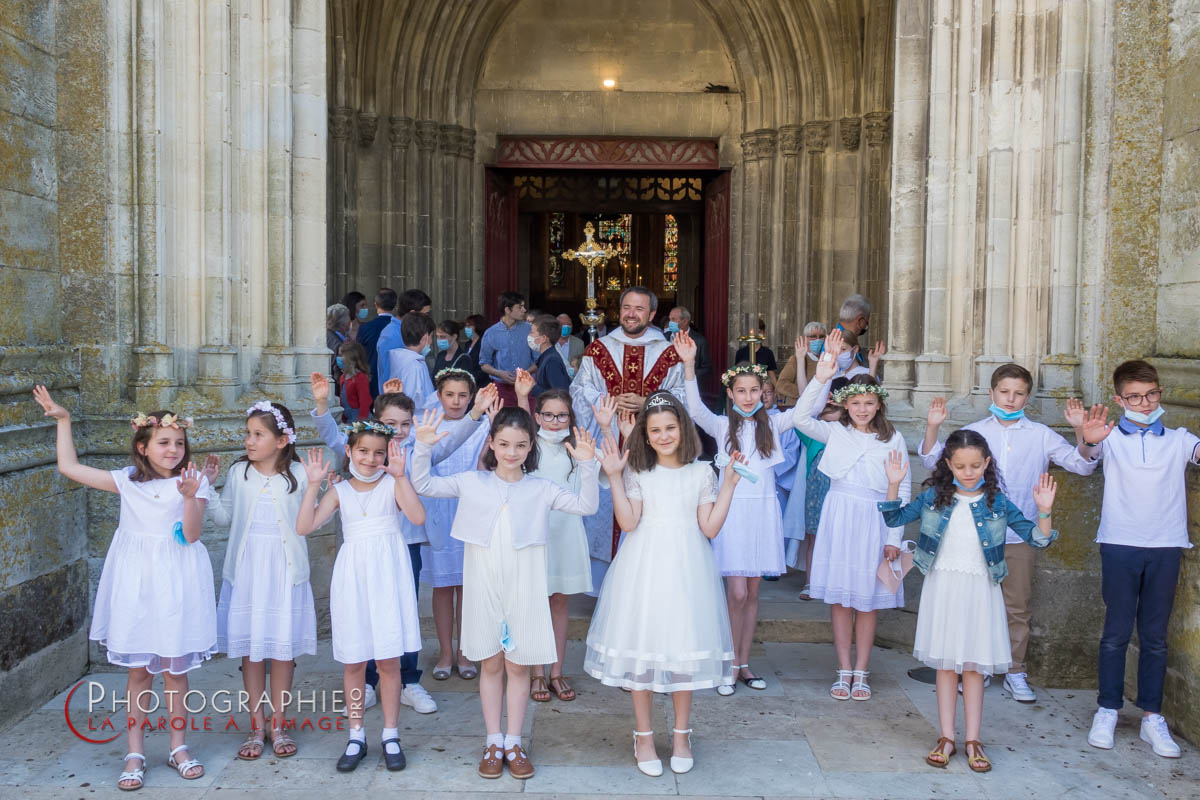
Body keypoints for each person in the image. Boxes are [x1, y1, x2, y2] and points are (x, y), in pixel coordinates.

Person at [32, 386, 213, 790]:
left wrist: (189, 497)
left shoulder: (193, 481)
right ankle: (135, 752)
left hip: (176, 583)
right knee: (139, 672)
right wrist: (64, 420)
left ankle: (179, 747)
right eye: (164, 442)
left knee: (175, 672)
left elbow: (192, 535)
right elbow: (69, 467)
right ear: (143, 447)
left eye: (179, 443)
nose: (173, 450)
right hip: (138, 584)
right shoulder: (128, 481)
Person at [411, 408, 600, 780]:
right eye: (504, 444)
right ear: (492, 444)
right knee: (491, 664)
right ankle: (493, 741)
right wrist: (422, 447)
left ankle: (514, 741)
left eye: (520, 445)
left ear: (530, 447)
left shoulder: (540, 488)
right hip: (484, 585)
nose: (511, 452)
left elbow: (586, 505)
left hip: (524, 586)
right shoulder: (472, 482)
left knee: (518, 665)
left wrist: (588, 464)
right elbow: (424, 484)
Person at [309, 372, 494, 716]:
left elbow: (451, 443)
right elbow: (333, 437)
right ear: (375, 422)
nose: (398, 430)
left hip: (404, 545)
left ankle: (408, 681)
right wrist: (321, 404)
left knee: (403, 612)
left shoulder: (416, 450)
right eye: (390, 423)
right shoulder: (366, 452)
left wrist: (475, 413)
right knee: (366, 613)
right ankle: (367, 681)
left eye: (405, 424)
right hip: (365, 548)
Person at [878, 432, 1059, 773]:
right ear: (948, 464)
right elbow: (893, 519)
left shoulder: (998, 502)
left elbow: (1038, 539)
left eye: (975, 465)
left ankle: (974, 740)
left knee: (974, 667)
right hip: (943, 586)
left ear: (987, 463)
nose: (968, 472)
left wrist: (1045, 511)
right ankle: (946, 737)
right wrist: (893, 485)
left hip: (980, 589)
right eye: (960, 466)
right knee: (946, 666)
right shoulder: (933, 497)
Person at [918, 363, 1099, 702]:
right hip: (972, 536)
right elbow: (932, 461)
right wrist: (932, 427)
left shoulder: (1041, 435)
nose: (1010, 399)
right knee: (973, 602)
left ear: (1028, 398)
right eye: (1004, 392)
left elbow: (1083, 465)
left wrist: (1081, 432)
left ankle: (1015, 670)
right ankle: (976, 667)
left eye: (1019, 393)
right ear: (991, 393)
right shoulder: (974, 432)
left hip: (1016, 536)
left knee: (1017, 606)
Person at [584, 392, 743, 776]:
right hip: (645, 566)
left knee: (683, 651)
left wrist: (729, 486)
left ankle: (682, 734)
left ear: (683, 429)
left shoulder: (701, 473)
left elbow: (710, 527)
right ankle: (643, 736)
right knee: (642, 652)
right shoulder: (640, 472)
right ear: (645, 435)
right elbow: (628, 522)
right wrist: (615, 477)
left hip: (687, 569)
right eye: (655, 430)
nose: (664, 436)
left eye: (670, 427)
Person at [1080, 359, 1199, 759]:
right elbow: (1088, 456)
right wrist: (1088, 439)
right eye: (1134, 397)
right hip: (1119, 544)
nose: (1145, 403)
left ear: (1160, 393)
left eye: (1151, 395)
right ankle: (1107, 710)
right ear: (1119, 400)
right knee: (1115, 633)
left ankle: (1152, 717)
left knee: (1155, 637)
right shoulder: (1111, 437)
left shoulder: (1179, 440)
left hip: (1166, 546)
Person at [676, 331, 804, 693]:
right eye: (741, 391)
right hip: (732, 515)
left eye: (755, 391)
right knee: (736, 594)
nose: (748, 397)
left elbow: (804, 411)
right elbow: (695, 409)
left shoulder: (773, 425)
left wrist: (819, 375)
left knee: (752, 593)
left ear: (763, 393)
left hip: (762, 515)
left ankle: (744, 663)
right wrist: (689, 365)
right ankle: (729, 663)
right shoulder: (722, 425)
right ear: (731, 394)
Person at [789, 329, 910, 702]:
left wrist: (893, 537)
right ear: (845, 405)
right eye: (855, 402)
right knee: (842, 599)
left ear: (879, 405)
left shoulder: (892, 438)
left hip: (875, 519)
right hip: (840, 516)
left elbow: (902, 489)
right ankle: (843, 669)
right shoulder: (834, 432)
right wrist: (821, 377)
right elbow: (800, 418)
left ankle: (862, 671)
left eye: (869, 402)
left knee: (867, 601)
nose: (862, 409)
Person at [296, 423, 425, 773]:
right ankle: (356, 735)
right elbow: (304, 527)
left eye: (378, 452)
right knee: (354, 661)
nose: (370, 458)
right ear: (349, 451)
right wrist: (313, 486)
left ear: (387, 455)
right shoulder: (340, 491)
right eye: (363, 451)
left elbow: (417, 517)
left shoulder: (391, 485)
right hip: (353, 577)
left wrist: (400, 476)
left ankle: (391, 734)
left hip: (388, 575)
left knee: (388, 660)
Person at [202, 402, 316, 760]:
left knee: (282, 652)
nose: (249, 441)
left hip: (284, 572)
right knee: (251, 651)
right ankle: (255, 725)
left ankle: (278, 725)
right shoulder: (240, 473)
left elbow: (311, 522)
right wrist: (206, 489)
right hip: (248, 571)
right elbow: (224, 518)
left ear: (282, 440)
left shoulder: (299, 474)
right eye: (247, 433)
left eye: (258, 434)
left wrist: (320, 488)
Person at [570, 286, 686, 566]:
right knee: (605, 511)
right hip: (607, 441)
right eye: (626, 308)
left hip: (652, 446)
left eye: (639, 309)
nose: (631, 314)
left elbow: (683, 396)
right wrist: (608, 400)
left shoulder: (668, 353)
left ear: (652, 314)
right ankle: (604, 581)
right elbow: (579, 390)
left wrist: (648, 401)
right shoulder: (598, 349)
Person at [514, 384, 604, 704]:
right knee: (535, 602)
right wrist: (521, 397)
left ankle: (556, 670)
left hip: (566, 532)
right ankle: (537, 671)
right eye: (548, 415)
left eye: (561, 415)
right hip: (534, 533)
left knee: (559, 602)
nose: (555, 421)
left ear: (570, 417)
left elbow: (608, 469)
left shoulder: (578, 446)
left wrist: (606, 428)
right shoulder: (528, 446)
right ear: (537, 417)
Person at [421, 369, 497, 682]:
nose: (456, 401)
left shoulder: (483, 425)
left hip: (470, 511)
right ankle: (445, 652)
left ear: (472, 397)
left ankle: (465, 651)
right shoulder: (428, 424)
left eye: (463, 395)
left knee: (468, 586)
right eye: (449, 394)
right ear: (439, 395)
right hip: (438, 510)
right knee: (442, 586)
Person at [782, 382, 849, 595]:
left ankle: (836, 583)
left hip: (842, 494)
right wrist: (818, 405)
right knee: (814, 538)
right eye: (826, 410)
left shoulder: (849, 436)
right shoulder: (813, 437)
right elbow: (800, 419)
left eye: (835, 409)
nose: (830, 412)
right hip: (816, 496)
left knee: (840, 539)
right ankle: (811, 582)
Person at [479, 292, 534, 406]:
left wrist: (524, 374)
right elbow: (484, 363)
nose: (524, 310)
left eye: (524, 306)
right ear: (507, 310)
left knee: (528, 417)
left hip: (527, 387)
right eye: (520, 307)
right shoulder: (491, 333)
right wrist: (499, 373)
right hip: (501, 389)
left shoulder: (530, 330)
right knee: (501, 417)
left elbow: (539, 360)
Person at [375, 289, 434, 393]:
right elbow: (390, 377)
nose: (428, 318)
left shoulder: (402, 330)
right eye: (426, 314)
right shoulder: (392, 336)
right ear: (413, 313)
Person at [382, 312, 436, 406]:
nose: (431, 341)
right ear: (425, 338)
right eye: (431, 336)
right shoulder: (415, 367)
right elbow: (414, 402)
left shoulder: (399, 358)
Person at [357, 288, 399, 397]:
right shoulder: (401, 327)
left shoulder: (366, 328)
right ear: (395, 305)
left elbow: (359, 355)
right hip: (396, 379)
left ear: (376, 305)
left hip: (372, 378)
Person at [775, 321, 827, 404]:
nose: (817, 340)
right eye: (813, 337)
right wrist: (805, 393)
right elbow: (781, 384)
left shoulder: (826, 359)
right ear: (806, 338)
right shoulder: (796, 359)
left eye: (821, 337)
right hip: (798, 406)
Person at [529, 315, 571, 396]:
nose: (529, 336)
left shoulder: (552, 361)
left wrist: (532, 386)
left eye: (532, 332)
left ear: (543, 338)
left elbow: (559, 396)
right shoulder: (545, 357)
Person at [664, 306, 711, 379]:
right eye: (669, 319)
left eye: (673, 319)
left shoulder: (699, 340)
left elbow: (706, 368)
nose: (670, 323)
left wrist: (689, 376)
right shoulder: (664, 338)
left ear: (685, 321)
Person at [337, 340, 372, 422]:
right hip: (348, 418)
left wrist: (361, 422)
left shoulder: (360, 377)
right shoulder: (343, 377)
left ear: (350, 359)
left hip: (360, 418)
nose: (338, 358)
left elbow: (365, 401)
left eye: (341, 355)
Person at [327, 303, 352, 382]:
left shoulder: (325, 336)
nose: (350, 322)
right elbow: (338, 373)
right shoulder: (338, 345)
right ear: (343, 325)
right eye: (349, 319)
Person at [464, 313, 489, 386]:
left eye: (469, 326)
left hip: (481, 383)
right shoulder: (467, 344)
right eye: (466, 326)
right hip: (468, 382)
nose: (466, 328)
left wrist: (471, 377)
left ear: (478, 326)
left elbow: (485, 366)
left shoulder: (484, 343)